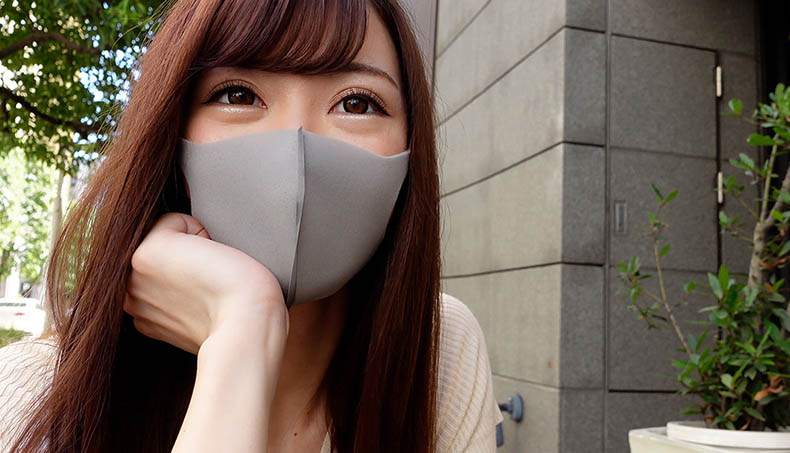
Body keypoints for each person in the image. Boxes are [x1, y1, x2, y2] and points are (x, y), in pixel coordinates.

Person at [0, 0, 503, 451]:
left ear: (410, 154)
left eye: (357, 103)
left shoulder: (440, 350)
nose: (295, 146)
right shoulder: (31, 399)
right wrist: (243, 332)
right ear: (173, 139)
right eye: (238, 95)